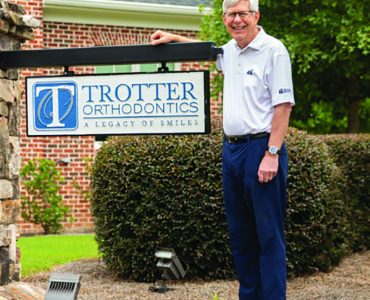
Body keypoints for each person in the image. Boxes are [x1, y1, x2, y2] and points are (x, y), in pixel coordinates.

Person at [151, 0, 294, 299]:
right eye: (231, 15)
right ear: (224, 18)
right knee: (241, 237)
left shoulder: (273, 50)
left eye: (243, 14)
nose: (237, 20)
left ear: (256, 16)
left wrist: (272, 154)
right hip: (231, 152)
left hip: (261, 150)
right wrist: (174, 39)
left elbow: (283, 106)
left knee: (268, 237)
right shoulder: (230, 52)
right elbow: (206, 47)